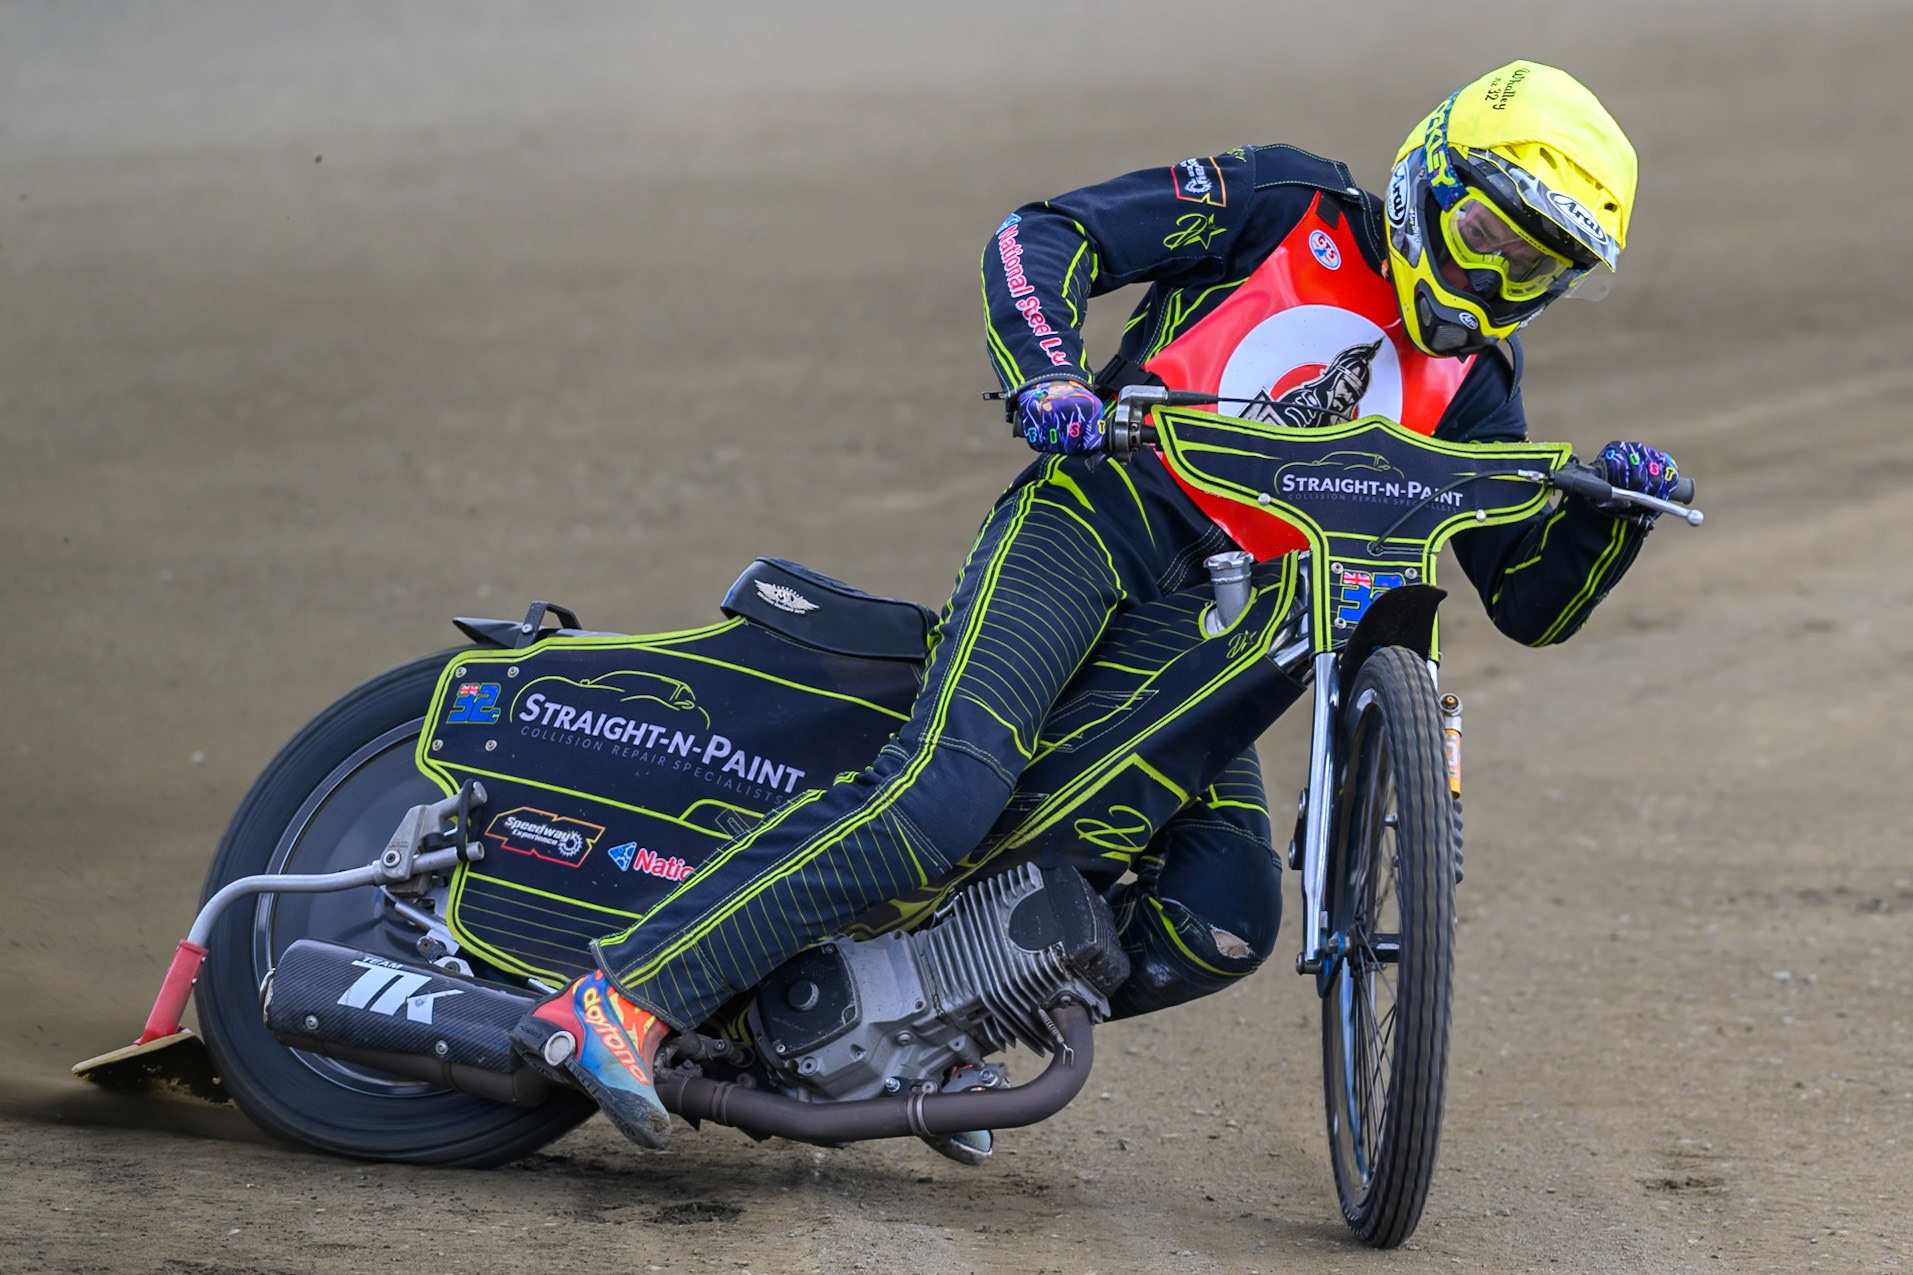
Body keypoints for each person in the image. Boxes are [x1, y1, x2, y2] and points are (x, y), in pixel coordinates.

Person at [509, 60, 1682, 1153]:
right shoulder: (1284, 204)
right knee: (941, 799)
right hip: (1093, 520)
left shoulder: (1476, 384)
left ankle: (921, 1024)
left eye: (1532, 270)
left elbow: (1528, 602)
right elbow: (1046, 236)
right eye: (1483, 235)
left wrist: (1604, 517)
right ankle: (619, 992)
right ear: (1430, 174)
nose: (1491, 280)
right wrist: (1048, 374)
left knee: (1223, 914)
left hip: (1226, 636)